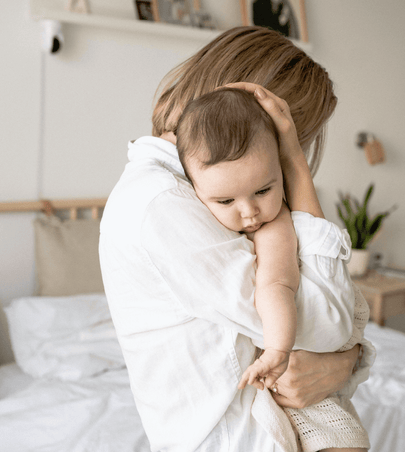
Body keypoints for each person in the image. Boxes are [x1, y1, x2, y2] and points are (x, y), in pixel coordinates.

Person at [99, 26, 375, 452]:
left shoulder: (203, 195)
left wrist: (347, 362)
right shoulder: (163, 203)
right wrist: (299, 172)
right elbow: (330, 323)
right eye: (293, 139)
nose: (247, 208)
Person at [175, 87, 370, 451]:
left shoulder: (274, 225)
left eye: (263, 190)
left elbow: (276, 285)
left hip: (305, 365)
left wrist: (278, 350)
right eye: (226, 200)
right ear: (193, 190)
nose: (249, 212)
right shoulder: (178, 213)